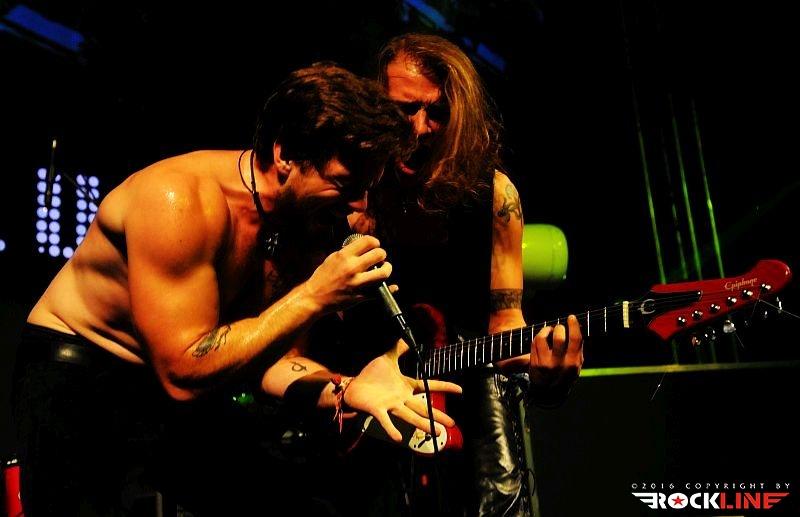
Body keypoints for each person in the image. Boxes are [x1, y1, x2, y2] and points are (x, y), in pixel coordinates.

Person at [10, 63, 461, 516]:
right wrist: (313, 296)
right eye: (345, 184)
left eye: (365, 188)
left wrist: (346, 388)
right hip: (81, 371)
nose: (358, 204)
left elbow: (270, 358)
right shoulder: (181, 201)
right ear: (286, 155)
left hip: (177, 386)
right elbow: (184, 372)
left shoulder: (303, 223)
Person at [336, 34, 583, 516]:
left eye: (438, 113)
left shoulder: (494, 196)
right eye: (404, 109)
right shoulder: (348, 187)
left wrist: (545, 373)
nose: (420, 128)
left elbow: (506, 324)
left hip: (465, 382)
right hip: (363, 390)